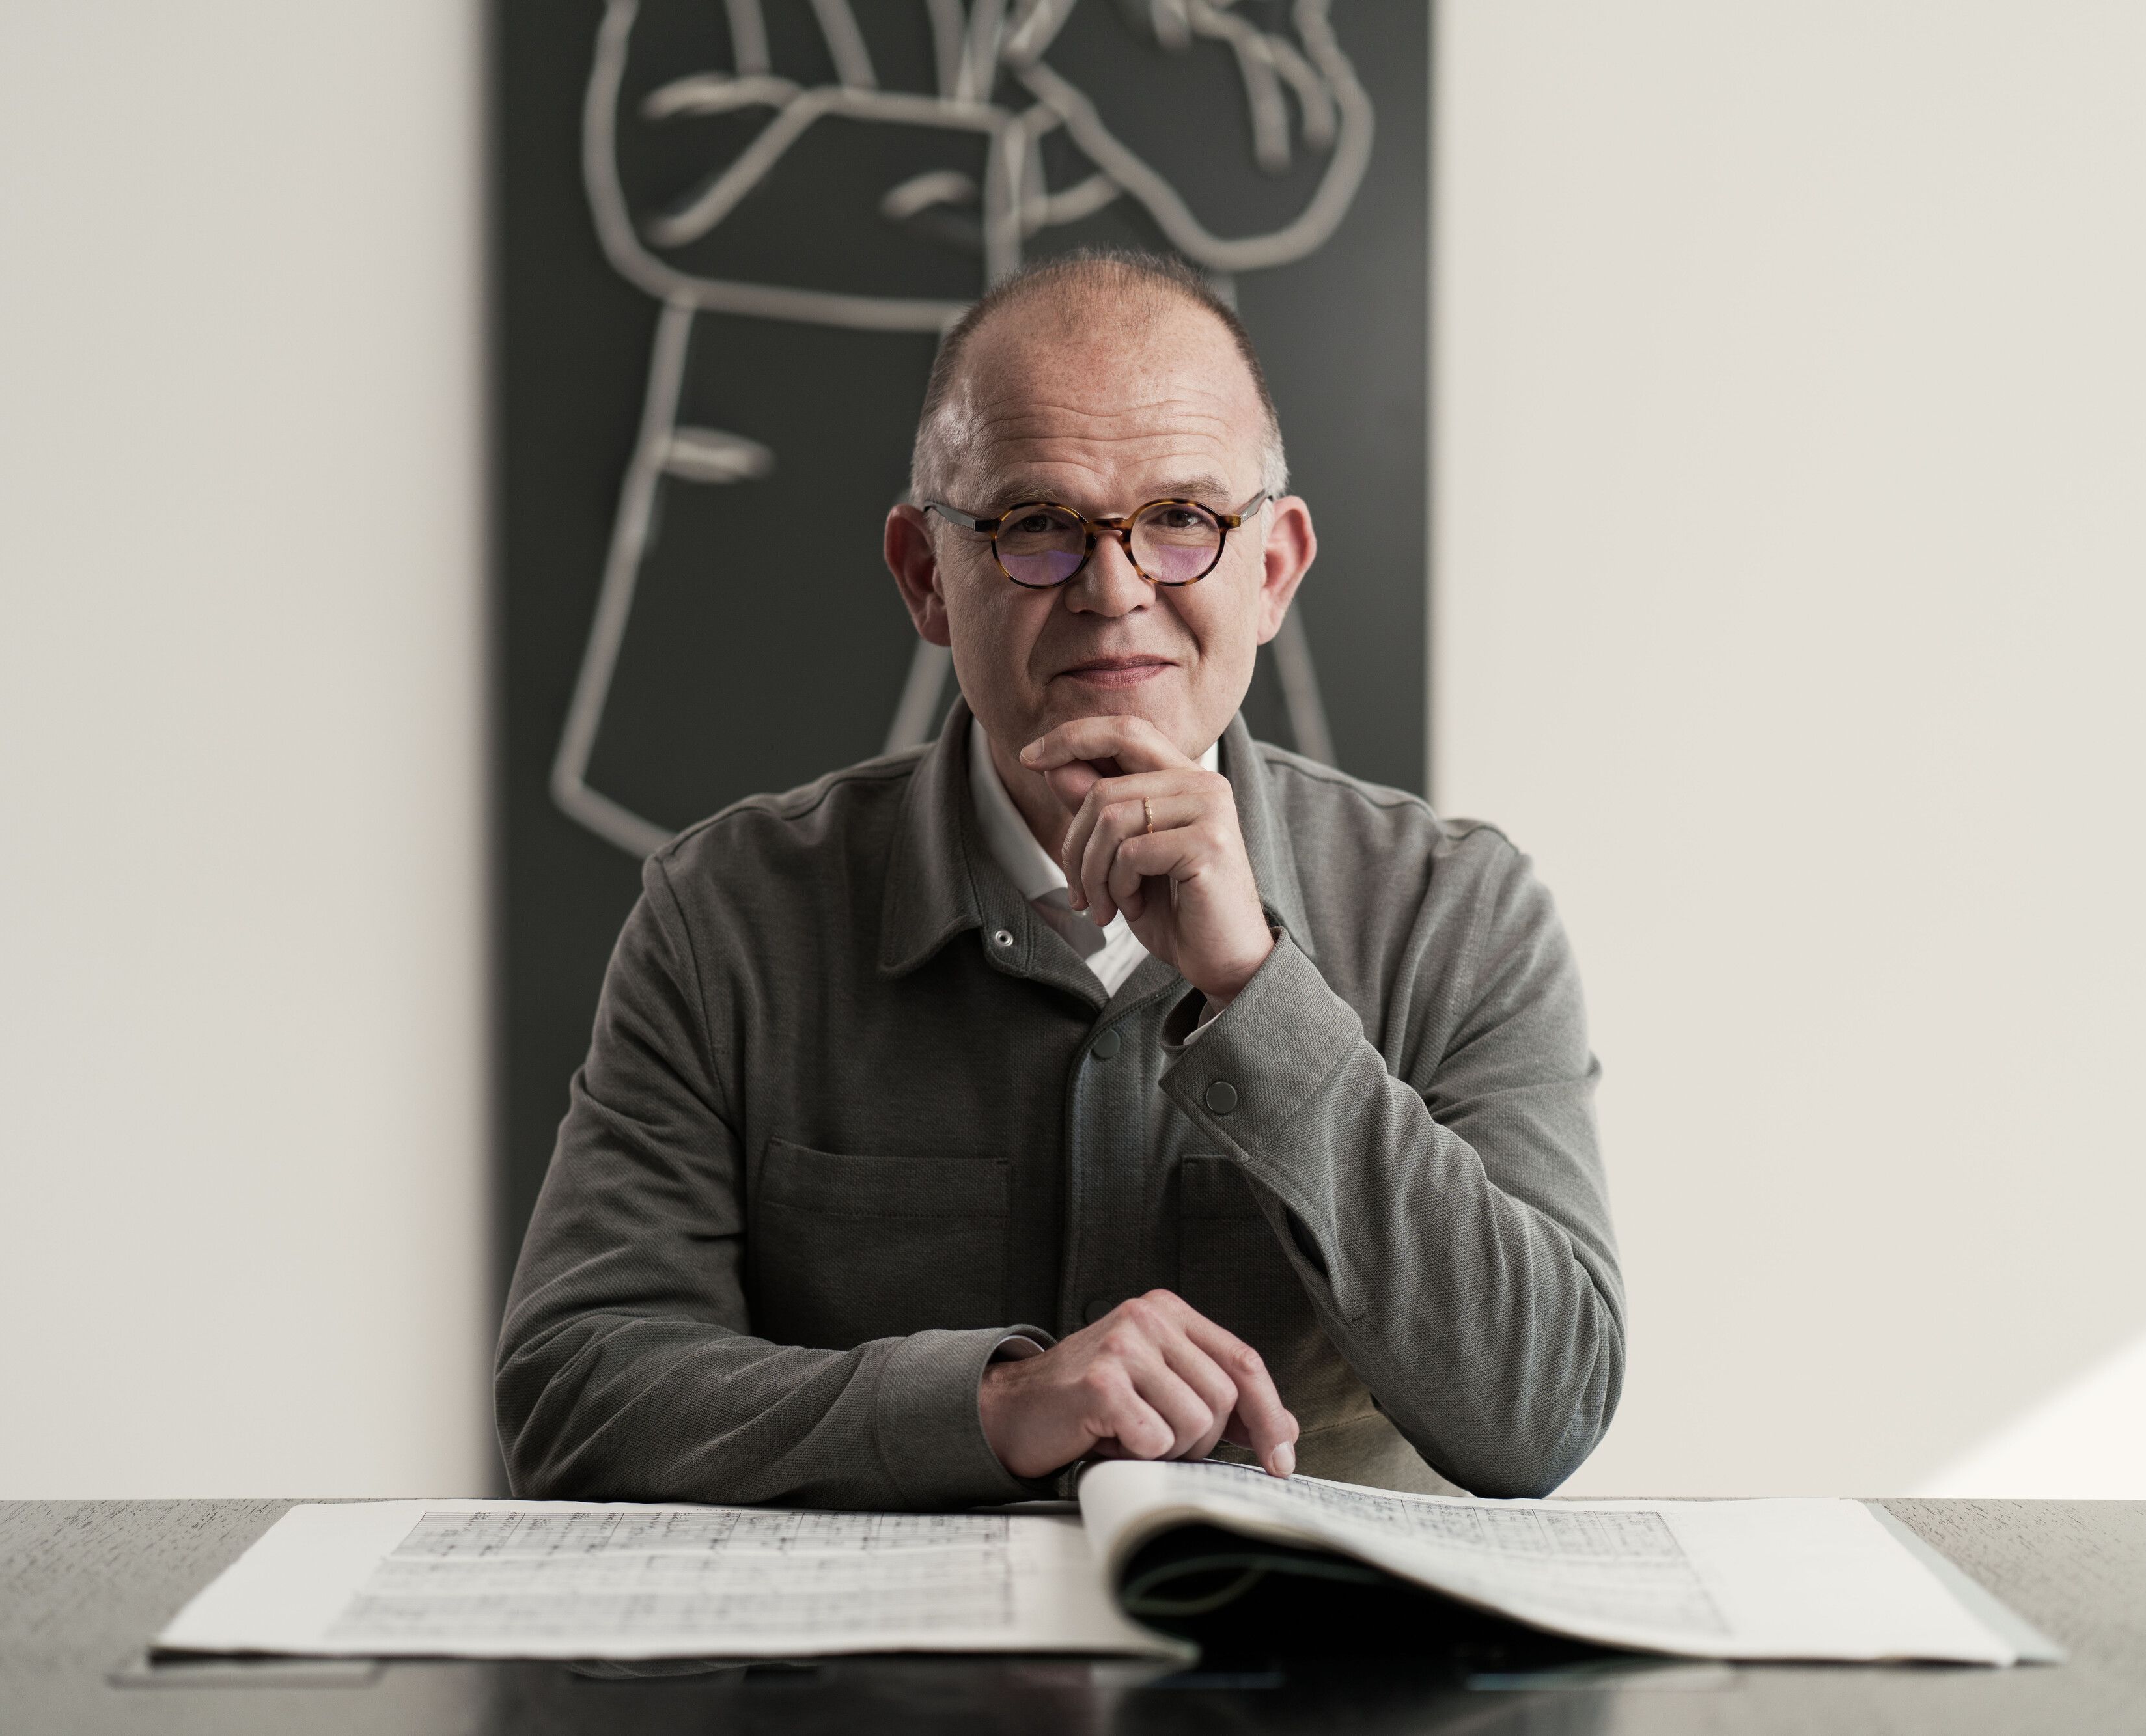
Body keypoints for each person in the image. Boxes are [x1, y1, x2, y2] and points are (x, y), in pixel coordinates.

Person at [496, 249, 1621, 1508]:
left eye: (1184, 519)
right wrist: (990, 1404)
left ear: (1274, 571)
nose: (1115, 590)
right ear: (925, 576)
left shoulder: (1458, 914)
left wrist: (1257, 989)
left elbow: (1543, 1412)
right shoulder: (727, 918)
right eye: (1036, 525)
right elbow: (573, 1390)